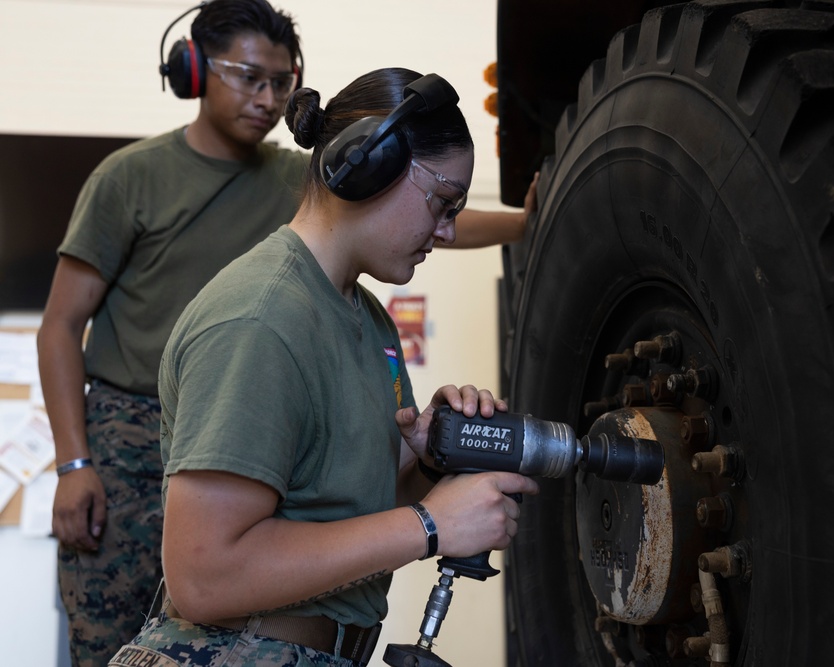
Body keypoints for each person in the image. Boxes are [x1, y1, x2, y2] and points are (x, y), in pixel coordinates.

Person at [37, 1, 534, 665]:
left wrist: (420, 459)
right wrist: (430, 524)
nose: (446, 232)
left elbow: (333, 514)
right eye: (443, 204)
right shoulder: (259, 320)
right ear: (371, 163)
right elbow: (207, 574)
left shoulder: (371, 323)